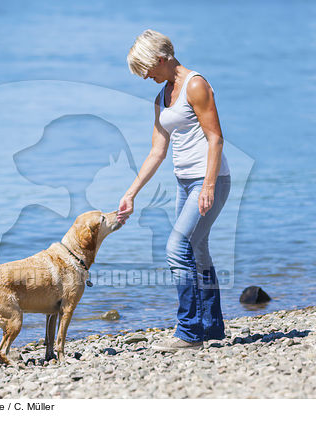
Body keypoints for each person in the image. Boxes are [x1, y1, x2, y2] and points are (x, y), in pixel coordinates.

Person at [117, 29, 231, 350]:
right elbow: (157, 152)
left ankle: (189, 332)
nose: (145, 76)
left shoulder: (196, 85)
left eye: (146, 69)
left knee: (176, 247)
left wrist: (208, 184)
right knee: (197, 251)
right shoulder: (161, 96)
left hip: (211, 180)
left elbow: (215, 138)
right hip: (184, 182)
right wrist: (131, 192)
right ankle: (210, 328)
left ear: (162, 59)